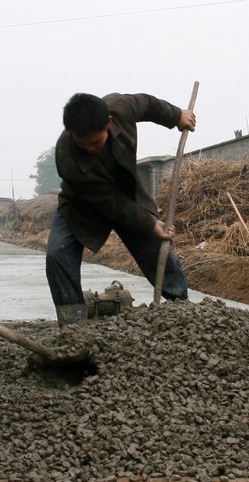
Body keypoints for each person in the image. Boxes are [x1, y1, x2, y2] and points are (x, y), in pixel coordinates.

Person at [46, 92, 195, 326]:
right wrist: (148, 223)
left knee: (156, 247)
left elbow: (149, 104)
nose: (89, 149)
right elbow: (110, 202)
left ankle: (182, 309)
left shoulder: (120, 107)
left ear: (108, 122)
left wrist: (176, 116)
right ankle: (73, 327)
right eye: (81, 143)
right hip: (81, 206)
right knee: (57, 255)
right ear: (70, 133)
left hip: (128, 195)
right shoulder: (67, 157)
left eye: (95, 142)